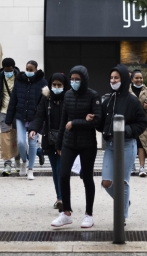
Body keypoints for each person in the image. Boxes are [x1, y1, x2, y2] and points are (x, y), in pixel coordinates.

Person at [51, 66, 102, 229]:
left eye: (77, 79)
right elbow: (63, 121)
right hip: (69, 142)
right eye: (72, 79)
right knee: (63, 175)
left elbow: (97, 121)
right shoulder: (68, 95)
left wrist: (76, 122)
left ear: (84, 79)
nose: (74, 82)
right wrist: (58, 143)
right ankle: (66, 212)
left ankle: (89, 214)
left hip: (87, 143)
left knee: (87, 177)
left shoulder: (93, 96)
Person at [99, 65, 147, 223]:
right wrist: (94, 120)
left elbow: (142, 122)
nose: (113, 81)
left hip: (127, 144)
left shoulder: (132, 101)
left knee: (123, 181)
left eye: (116, 78)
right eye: (111, 78)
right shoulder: (108, 100)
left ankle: (122, 215)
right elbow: (103, 123)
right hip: (111, 145)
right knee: (106, 182)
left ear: (124, 79)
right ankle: (124, 202)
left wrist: (126, 129)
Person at [29, 73, 67, 211]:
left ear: (64, 85)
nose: (56, 87)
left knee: (60, 170)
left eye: (59, 85)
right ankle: (59, 198)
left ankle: (63, 198)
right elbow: (39, 115)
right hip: (50, 139)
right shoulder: (46, 99)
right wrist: (33, 129)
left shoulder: (68, 98)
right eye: (54, 85)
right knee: (55, 170)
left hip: (65, 139)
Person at [5, 60, 47, 179]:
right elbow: (13, 100)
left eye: (31, 70)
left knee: (33, 143)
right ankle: (24, 161)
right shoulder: (19, 81)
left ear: (36, 70)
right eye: (27, 69)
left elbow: (44, 101)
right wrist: (8, 119)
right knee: (20, 142)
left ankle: (31, 169)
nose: (28, 72)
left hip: (35, 117)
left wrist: (42, 117)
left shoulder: (42, 82)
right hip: (20, 115)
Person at [130, 70, 147, 177]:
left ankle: (142, 167)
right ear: (132, 79)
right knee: (131, 144)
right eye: (136, 78)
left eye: (141, 78)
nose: (139, 80)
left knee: (142, 144)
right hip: (130, 121)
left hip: (143, 121)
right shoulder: (127, 90)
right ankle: (131, 166)